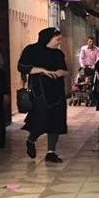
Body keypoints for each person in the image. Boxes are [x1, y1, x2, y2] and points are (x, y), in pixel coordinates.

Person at [18, 27, 69, 163]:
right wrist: (43, 70)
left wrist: (60, 72)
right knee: (41, 119)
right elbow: (22, 67)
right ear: (48, 38)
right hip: (39, 91)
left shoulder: (58, 54)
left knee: (56, 120)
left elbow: (65, 70)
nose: (59, 42)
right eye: (57, 39)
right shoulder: (32, 50)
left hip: (57, 91)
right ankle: (31, 139)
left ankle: (51, 152)